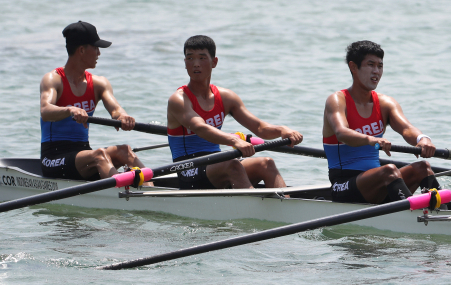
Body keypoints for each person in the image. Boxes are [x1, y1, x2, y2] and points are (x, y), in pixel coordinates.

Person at [166, 35, 303, 190]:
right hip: (188, 168)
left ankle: (284, 207)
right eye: (190, 58)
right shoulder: (178, 99)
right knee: (233, 165)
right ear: (185, 63)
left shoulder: (226, 98)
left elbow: (259, 128)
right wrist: (235, 141)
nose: (195, 64)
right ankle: (255, 210)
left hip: (216, 163)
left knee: (266, 163)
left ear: (214, 62)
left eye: (202, 58)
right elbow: (200, 128)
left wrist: (282, 130)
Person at [322, 40, 439, 204]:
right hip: (343, 185)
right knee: (389, 171)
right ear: (353, 67)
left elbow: (406, 128)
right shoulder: (337, 100)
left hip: (377, 182)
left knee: (423, 168)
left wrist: (422, 139)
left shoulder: (385, 103)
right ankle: (413, 214)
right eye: (370, 65)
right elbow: (341, 133)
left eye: (380, 66)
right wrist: (371, 139)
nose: (376, 71)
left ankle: (444, 210)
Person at [40, 21, 150, 183]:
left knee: (125, 151)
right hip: (54, 157)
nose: (99, 53)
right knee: (99, 155)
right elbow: (45, 110)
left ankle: (151, 190)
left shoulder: (99, 83)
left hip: (83, 153)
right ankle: (125, 193)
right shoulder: (53, 79)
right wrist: (70, 109)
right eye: (96, 48)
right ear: (82, 50)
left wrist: (123, 117)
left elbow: (116, 110)